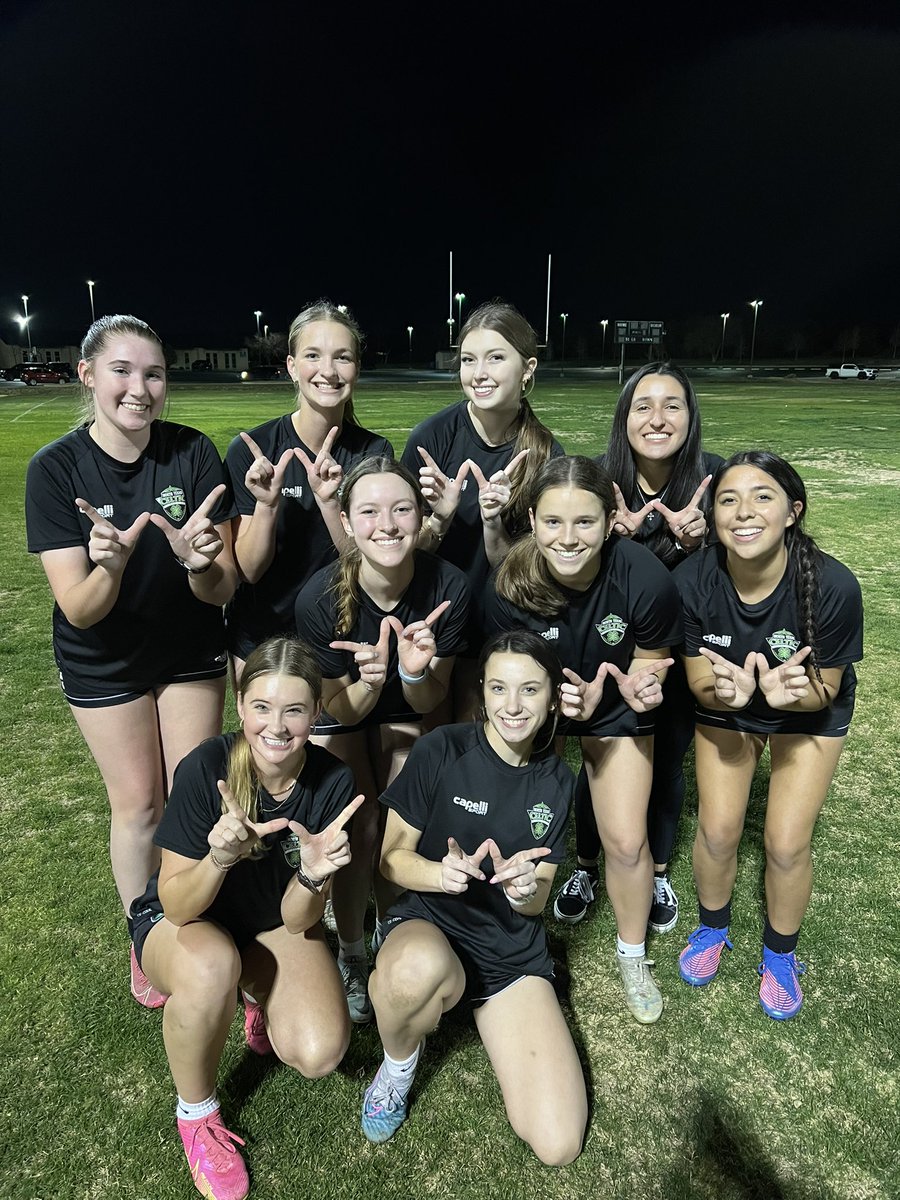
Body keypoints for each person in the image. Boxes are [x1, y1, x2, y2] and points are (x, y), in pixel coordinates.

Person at [24, 314, 238, 1007]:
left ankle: (199, 922)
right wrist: (111, 566)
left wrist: (199, 562)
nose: (140, 389)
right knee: (141, 803)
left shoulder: (193, 453)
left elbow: (223, 588)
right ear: (88, 375)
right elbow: (80, 607)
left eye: (154, 374)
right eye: (122, 371)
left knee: (194, 795)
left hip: (186, 650)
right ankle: (144, 932)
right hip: (103, 656)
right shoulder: (55, 469)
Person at [130, 637, 363, 1200]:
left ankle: (254, 992)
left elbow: (297, 918)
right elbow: (178, 904)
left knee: (319, 1050)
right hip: (186, 920)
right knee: (212, 966)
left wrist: (313, 876)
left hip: (269, 923)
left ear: (316, 712)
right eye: (262, 707)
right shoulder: (206, 767)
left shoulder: (334, 782)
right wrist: (219, 857)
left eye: (294, 710)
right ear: (240, 705)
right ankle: (197, 1116)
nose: (276, 727)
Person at [362, 629, 587, 1164]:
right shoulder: (442, 749)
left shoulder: (559, 782)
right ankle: (397, 1065)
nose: (513, 706)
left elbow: (538, 899)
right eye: (499, 688)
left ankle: (472, 997)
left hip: (507, 954)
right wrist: (440, 874)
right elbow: (390, 858)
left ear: (552, 700)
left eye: (530, 690)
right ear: (482, 691)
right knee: (412, 974)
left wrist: (523, 891)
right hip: (430, 925)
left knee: (558, 1143)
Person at [484, 456, 681, 1024]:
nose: (568, 539)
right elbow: (505, 678)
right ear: (531, 519)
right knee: (516, 831)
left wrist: (631, 693)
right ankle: (511, 944)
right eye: (552, 522)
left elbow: (650, 664)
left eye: (585, 522)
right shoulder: (510, 584)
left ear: (611, 519)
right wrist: (548, 708)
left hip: (613, 708)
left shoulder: (643, 575)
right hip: (535, 707)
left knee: (627, 841)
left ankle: (633, 954)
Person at [673, 451, 862, 1019]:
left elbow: (826, 687)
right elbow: (699, 681)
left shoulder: (832, 585)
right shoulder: (692, 580)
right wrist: (725, 695)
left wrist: (792, 695)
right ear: (713, 515)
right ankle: (713, 929)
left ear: (792, 511)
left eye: (763, 497)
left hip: (807, 710)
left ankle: (780, 955)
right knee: (718, 831)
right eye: (728, 500)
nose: (743, 512)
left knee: (785, 842)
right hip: (729, 703)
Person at [295, 457, 470, 1023]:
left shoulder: (449, 586)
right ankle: (351, 947)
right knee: (357, 819)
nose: (388, 525)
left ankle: (394, 931)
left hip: (410, 709)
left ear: (421, 516)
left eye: (402, 509)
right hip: (349, 709)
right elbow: (337, 709)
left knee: (400, 819)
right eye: (369, 512)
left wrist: (412, 674)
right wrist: (371, 682)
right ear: (346, 521)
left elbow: (429, 699)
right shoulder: (320, 597)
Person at [554, 362, 722, 934]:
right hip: (607, 643)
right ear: (623, 417)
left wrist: (706, 543)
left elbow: (746, 559)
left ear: (690, 416)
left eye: (672, 405)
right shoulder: (600, 479)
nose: (657, 419)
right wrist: (610, 537)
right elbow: (564, 548)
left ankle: (660, 870)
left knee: (667, 752)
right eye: (642, 406)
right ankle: (586, 865)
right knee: (599, 751)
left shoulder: (712, 480)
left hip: (679, 648)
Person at [401, 299, 564, 716]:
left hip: (506, 626)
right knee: (437, 741)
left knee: (491, 738)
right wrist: (439, 519)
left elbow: (531, 570)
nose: (479, 373)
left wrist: (493, 522)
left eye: (495, 358)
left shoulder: (545, 453)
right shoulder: (430, 439)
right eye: (468, 359)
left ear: (527, 368)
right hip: (435, 624)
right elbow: (400, 554)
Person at [225, 300, 393, 678]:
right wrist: (267, 505)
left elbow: (364, 561)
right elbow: (249, 571)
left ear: (357, 368)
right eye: (313, 355)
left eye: (342, 357)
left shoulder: (373, 452)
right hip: (262, 636)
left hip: (338, 632)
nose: (328, 371)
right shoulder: (253, 450)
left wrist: (330, 502)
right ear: (291, 366)